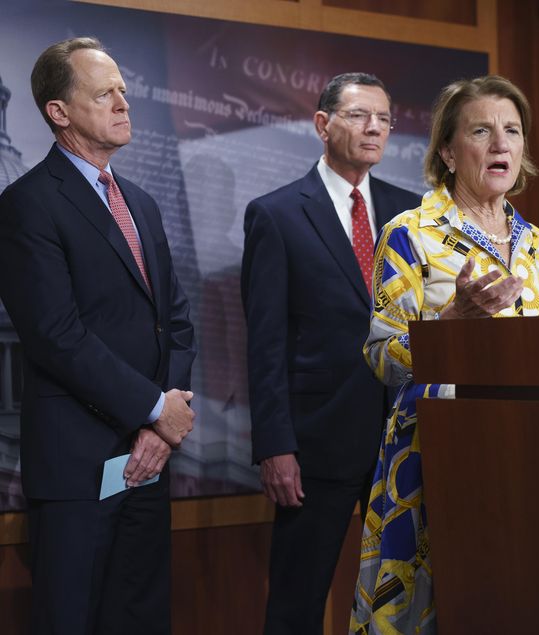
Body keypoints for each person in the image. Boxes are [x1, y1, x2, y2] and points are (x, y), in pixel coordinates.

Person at [0, 37, 196, 633]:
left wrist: (163, 422)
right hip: (78, 466)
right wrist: (154, 407)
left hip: (150, 458)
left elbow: (177, 322)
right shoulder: (27, 204)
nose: (123, 102)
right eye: (105, 92)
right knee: (71, 619)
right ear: (58, 112)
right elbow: (56, 335)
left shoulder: (140, 202)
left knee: (140, 618)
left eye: (124, 91)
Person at [350, 75, 539, 634]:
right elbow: (381, 356)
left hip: (527, 452)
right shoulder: (410, 234)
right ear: (447, 149)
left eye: (512, 131)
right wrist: (449, 324)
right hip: (433, 455)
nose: (501, 144)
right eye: (482, 130)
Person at [241, 72, 421, 634]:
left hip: (402, 440)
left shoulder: (409, 213)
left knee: (405, 597)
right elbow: (264, 343)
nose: (374, 128)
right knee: (297, 601)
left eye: (384, 119)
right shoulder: (276, 214)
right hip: (315, 446)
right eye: (359, 115)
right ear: (322, 124)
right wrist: (275, 446)